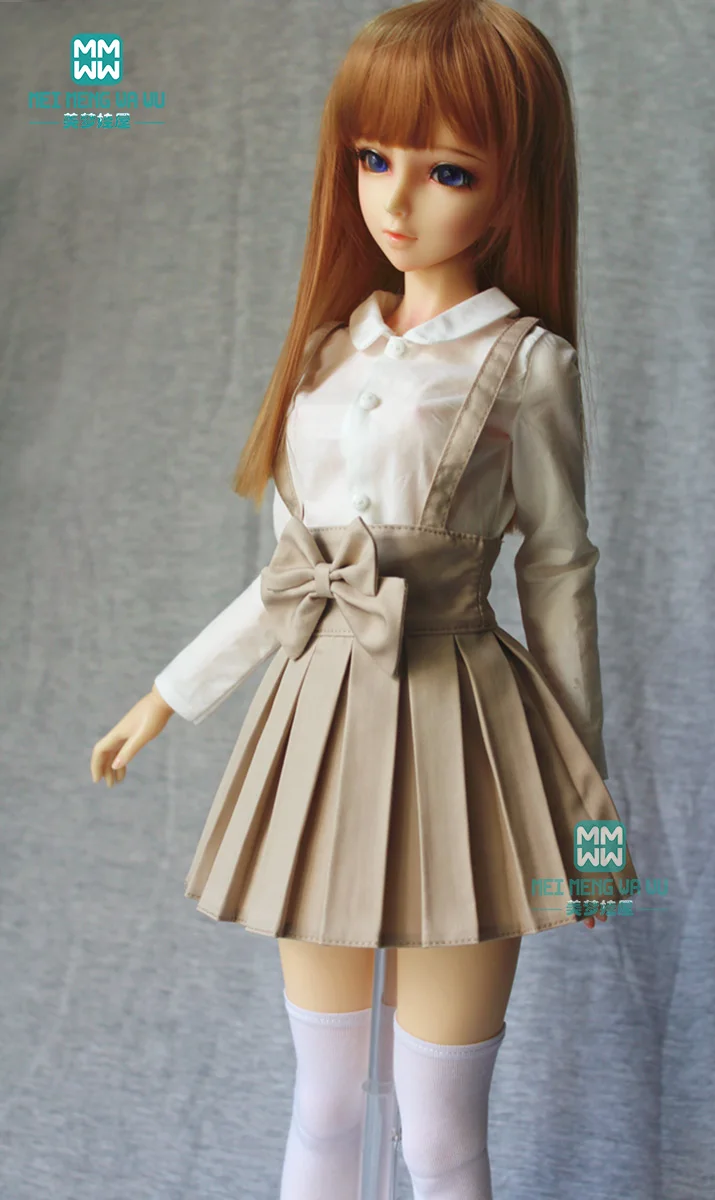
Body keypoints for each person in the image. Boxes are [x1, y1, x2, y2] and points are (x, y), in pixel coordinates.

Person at [90, 1, 638, 1196]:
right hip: (318, 733)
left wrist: (588, 830)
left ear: (513, 184)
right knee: (325, 1103)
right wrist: (165, 698)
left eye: (448, 171)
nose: (397, 201)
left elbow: (557, 574)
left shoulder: (525, 364)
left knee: (440, 1134)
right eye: (373, 158)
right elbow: (291, 579)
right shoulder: (324, 360)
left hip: (464, 735)